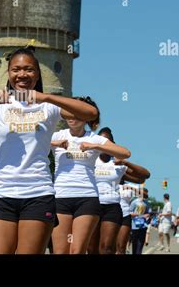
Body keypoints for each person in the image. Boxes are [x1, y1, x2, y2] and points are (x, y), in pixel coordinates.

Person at [0, 48, 99, 254]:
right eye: (16, 69)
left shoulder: (48, 107)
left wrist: (46, 97)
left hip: (38, 194)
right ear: (8, 73)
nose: (22, 74)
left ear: (37, 74)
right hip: (2, 194)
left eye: (29, 70)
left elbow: (90, 113)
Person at [50, 98, 131, 254]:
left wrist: (95, 146)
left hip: (86, 198)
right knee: (60, 251)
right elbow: (31, 142)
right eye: (69, 114)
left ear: (87, 116)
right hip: (60, 197)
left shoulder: (94, 138)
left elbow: (125, 153)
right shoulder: (57, 135)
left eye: (78, 114)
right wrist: (54, 144)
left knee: (77, 250)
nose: (72, 117)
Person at [88, 127, 150, 254]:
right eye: (101, 141)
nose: (103, 145)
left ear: (112, 144)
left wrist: (126, 163)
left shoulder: (117, 165)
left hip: (112, 208)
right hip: (92, 206)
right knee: (91, 248)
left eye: (107, 142)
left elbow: (144, 175)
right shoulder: (90, 160)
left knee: (107, 249)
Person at [116, 183, 139, 254]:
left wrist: (131, 188)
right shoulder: (111, 182)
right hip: (111, 214)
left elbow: (143, 194)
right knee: (109, 245)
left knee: (121, 245)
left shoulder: (130, 185)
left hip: (125, 214)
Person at [130, 188, 151, 255]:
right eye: (143, 193)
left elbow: (149, 213)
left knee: (140, 243)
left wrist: (147, 215)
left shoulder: (147, 203)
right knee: (135, 243)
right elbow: (130, 212)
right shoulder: (134, 202)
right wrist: (138, 215)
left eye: (145, 193)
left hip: (143, 226)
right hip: (134, 225)